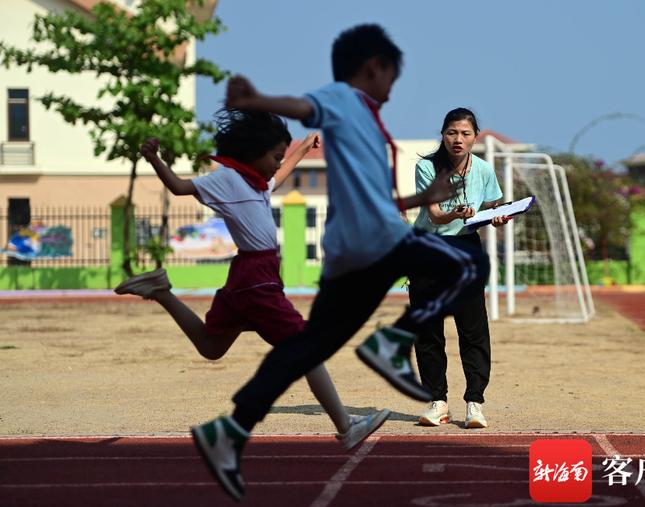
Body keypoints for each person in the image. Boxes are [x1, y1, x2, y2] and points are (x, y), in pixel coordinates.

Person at [190, 24, 490, 501]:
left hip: (364, 240)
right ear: (370, 68)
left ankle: (232, 429)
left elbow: (379, 197)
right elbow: (307, 108)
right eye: (391, 74)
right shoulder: (345, 101)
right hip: (363, 245)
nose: (394, 86)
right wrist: (255, 101)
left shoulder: (367, 119)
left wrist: (418, 195)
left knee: (310, 343)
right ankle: (388, 347)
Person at [113, 110, 391, 451]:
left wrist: (302, 150)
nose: (278, 163)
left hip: (248, 277)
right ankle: (347, 426)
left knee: (211, 346)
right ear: (253, 153)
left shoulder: (257, 180)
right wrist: (153, 158)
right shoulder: (226, 179)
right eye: (275, 156)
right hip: (254, 279)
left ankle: (162, 291)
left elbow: (281, 175)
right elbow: (178, 186)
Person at [411, 107, 510, 429]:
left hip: (466, 250)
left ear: (475, 137)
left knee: (473, 329)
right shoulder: (427, 167)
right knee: (428, 329)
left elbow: (493, 207)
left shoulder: (483, 170)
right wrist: (456, 213)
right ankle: (437, 401)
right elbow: (436, 214)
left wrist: (500, 217)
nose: (458, 139)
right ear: (443, 134)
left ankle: (475, 403)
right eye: (452, 132)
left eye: (465, 133)